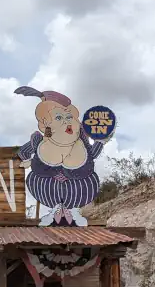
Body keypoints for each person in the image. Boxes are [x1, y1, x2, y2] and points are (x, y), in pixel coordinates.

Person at [14, 86, 114, 227]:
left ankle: (72, 212)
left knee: (74, 203)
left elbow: (92, 154)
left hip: (78, 188)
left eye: (69, 117)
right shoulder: (40, 142)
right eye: (59, 117)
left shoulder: (81, 141)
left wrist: (101, 140)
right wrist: (32, 161)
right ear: (46, 123)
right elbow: (22, 153)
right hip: (47, 189)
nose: (66, 121)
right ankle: (55, 211)